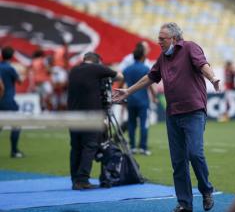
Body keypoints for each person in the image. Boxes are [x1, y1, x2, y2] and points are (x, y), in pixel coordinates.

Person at [113, 22, 220, 212]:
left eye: (162, 39)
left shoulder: (189, 47)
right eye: (158, 38)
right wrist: (128, 92)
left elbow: (203, 64)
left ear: (175, 39)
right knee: (178, 162)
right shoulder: (163, 58)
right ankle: (185, 204)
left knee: (195, 154)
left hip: (193, 111)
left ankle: (206, 190)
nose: (158, 42)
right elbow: (150, 77)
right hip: (173, 114)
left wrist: (213, 78)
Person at [67, 52, 123, 190]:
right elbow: (120, 76)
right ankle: (82, 180)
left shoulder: (73, 70)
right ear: (97, 61)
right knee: (90, 145)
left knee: (76, 147)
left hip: (72, 115)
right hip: (91, 115)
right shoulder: (96, 69)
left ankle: (75, 179)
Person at [123, 42, 155, 156]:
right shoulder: (146, 68)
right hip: (143, 101)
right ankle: (143, 147)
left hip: (130, 100)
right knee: (144, 124)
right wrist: (154, 97)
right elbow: (150, 85)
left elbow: (123, 83)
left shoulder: (127, 69)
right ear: (143, 56)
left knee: (131, 124)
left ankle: (132, 147)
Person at [0, 46, 23, 158]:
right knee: (16, 124)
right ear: (12, 56)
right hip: (7, 100)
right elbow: (20, 81)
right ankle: (14, 151)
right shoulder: (10, 68)